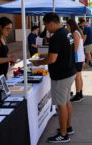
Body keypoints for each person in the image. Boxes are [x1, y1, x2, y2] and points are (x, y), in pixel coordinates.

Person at [33, 13, 76, 143]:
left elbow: (52, 59)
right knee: (66, 101)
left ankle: (63, 135)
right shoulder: (67, 32)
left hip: (61, 76)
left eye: (46, 25)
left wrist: (38, 63)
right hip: (69, 72)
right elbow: (61, 52)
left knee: (61, 105)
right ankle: (67, 128)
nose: (46, 28)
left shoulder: (57, 36)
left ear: (51, 23)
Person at [66, 19, 85, 103]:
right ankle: (80, 93)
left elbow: (75, 48)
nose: (66, 27)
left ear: (70, 25)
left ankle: (78, 94)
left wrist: (70, 57)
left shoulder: (75, 33)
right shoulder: (78, 32)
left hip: (77, 58)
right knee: (79, 76)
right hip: (79, 57)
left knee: (77, 77)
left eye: (67, 26)